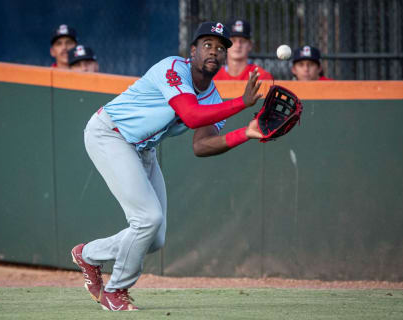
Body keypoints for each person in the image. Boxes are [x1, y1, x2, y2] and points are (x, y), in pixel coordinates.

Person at [71, 21, 264, 311]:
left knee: (154, 237)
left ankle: (89, 254)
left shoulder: (211, 95)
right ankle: (116, 290)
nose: (214, 51)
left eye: (221, 47)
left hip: (142, 149)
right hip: (109, 134)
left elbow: (202, 145)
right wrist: (241, 103)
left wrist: (245, 133)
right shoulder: (172, 68)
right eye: (208, 45)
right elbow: (190, 114)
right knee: (147, 220)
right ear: (193, 50)